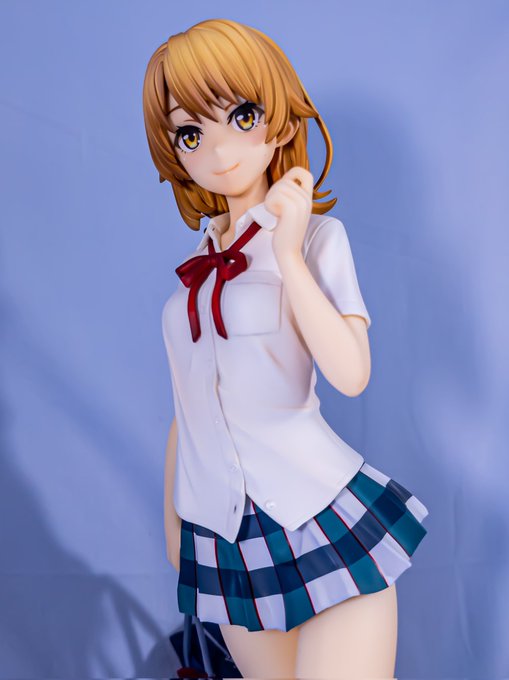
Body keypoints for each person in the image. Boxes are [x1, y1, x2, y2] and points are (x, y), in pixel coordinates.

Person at [142, 18, 429, 679]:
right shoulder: (194, 273)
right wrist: (176, 527)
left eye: (241, 116)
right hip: (222, 536)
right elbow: (189, 411)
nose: (219, 150)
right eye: (191, 133)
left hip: (315, 509)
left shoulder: (317, 239)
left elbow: (351, 372)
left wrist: (288, 255)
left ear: (276, 118)